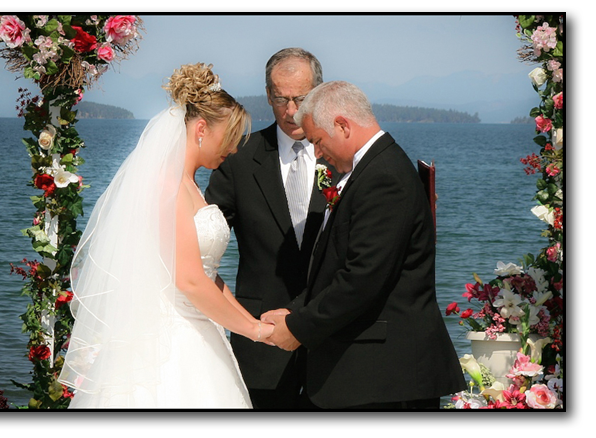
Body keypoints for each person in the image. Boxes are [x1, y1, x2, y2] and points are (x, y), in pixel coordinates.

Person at [58, 63, 274, 408]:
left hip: (203, 328)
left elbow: (209, 276)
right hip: (172, 339)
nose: (233, 148)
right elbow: (189, 280)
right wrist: (255, 332)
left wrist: (253, 324)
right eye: (230, 137)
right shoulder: (168, 188)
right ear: (201, 128)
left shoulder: (190, 187)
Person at [262, 80, 466, 409]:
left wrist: (298, 328)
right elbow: (337, 265)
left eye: (317, 141)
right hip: (371, 377)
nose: (317, 153)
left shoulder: (384, 178)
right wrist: (294, 309)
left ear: (342, 125)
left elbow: (363, 278)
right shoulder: (369, 171)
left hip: (388, 379)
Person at [205, 48, 338, 408]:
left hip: (334, 344)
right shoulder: (239, 157)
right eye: (281, 99)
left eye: (301, 98)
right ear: (268, 95)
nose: (291, 110)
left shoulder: (343, 158)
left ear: (319, 92)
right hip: (260, 344)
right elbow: (206, 235)